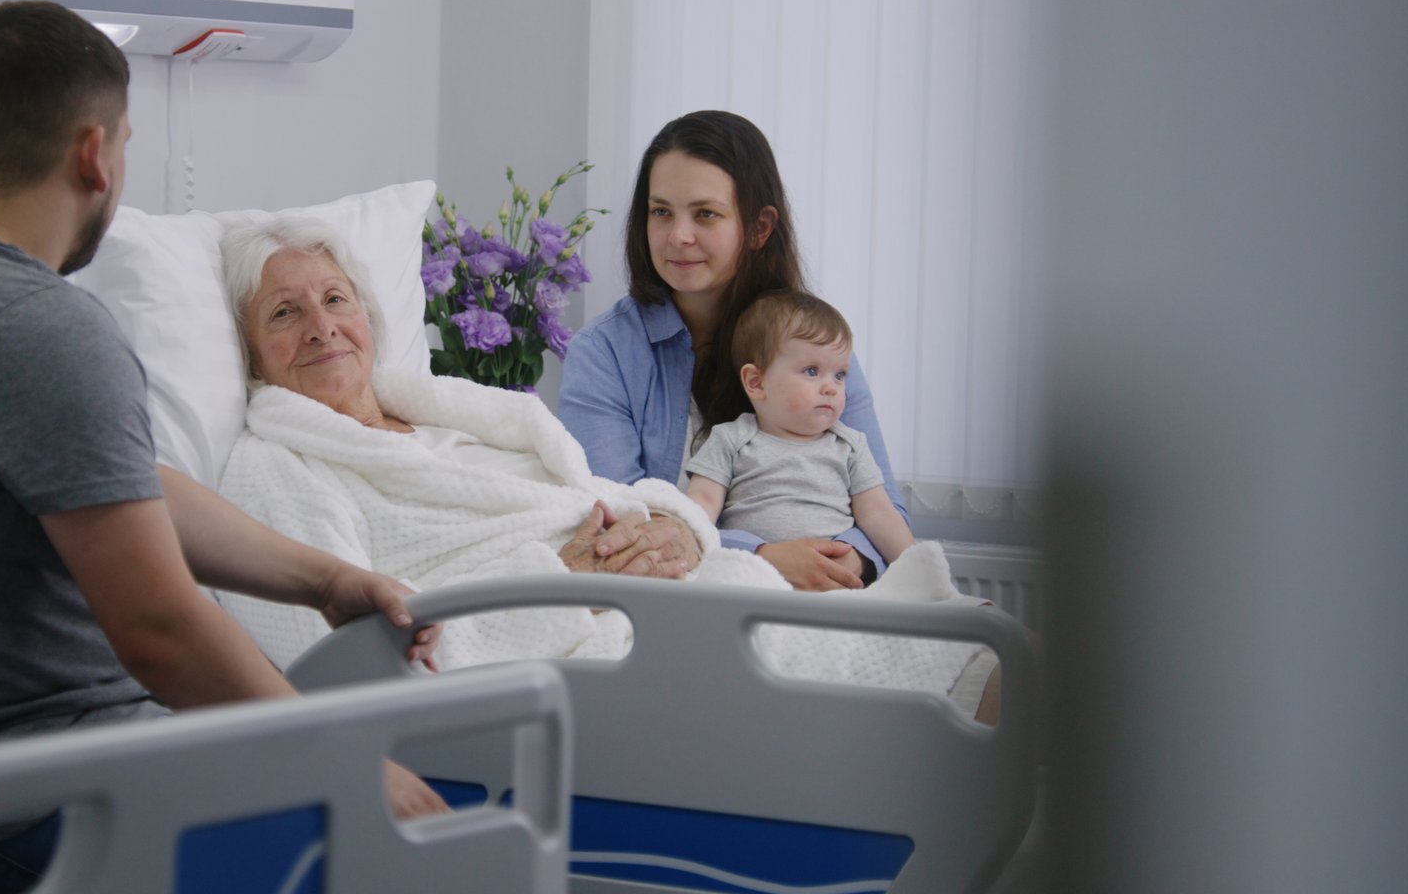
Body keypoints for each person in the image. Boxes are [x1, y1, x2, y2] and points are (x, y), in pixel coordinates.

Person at [0, 1, 442, 894]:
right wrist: (342, 761)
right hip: (25, 812)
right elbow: (157, 627)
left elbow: (117, 485)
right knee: (434, 857)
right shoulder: (37, 324)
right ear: (94, 154)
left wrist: (322, 580)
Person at [208, 217, 991, 721]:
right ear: (247, 353)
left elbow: (612, 494)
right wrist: (559, 581)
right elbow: (331, 664)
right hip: (572, 661)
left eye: (336, 299)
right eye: (285, 312)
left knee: (968, 643)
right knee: (948, 677)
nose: (322, 327)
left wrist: (680, 531)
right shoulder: (276, 469)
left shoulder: (461, 413)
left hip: (664, 595)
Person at [559, 110, 910, 592]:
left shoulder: (814, 347)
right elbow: (623, 521)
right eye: (661, 211)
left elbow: (883, 503)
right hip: (683, 605)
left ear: (760, 227)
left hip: (835, 594)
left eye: (705, 214)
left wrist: (849, 560)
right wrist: (760, 557)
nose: (678, 236)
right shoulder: (603, 353)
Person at [685, 290, 915, 565]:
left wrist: (920, 575)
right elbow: (701, 505)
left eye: (840, 374)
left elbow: (880, 515)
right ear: (756, 382)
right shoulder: (730, 439)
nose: (831, 387)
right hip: (750, 576)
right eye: (811, 371)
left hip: (833, 579)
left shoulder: (850, 446)